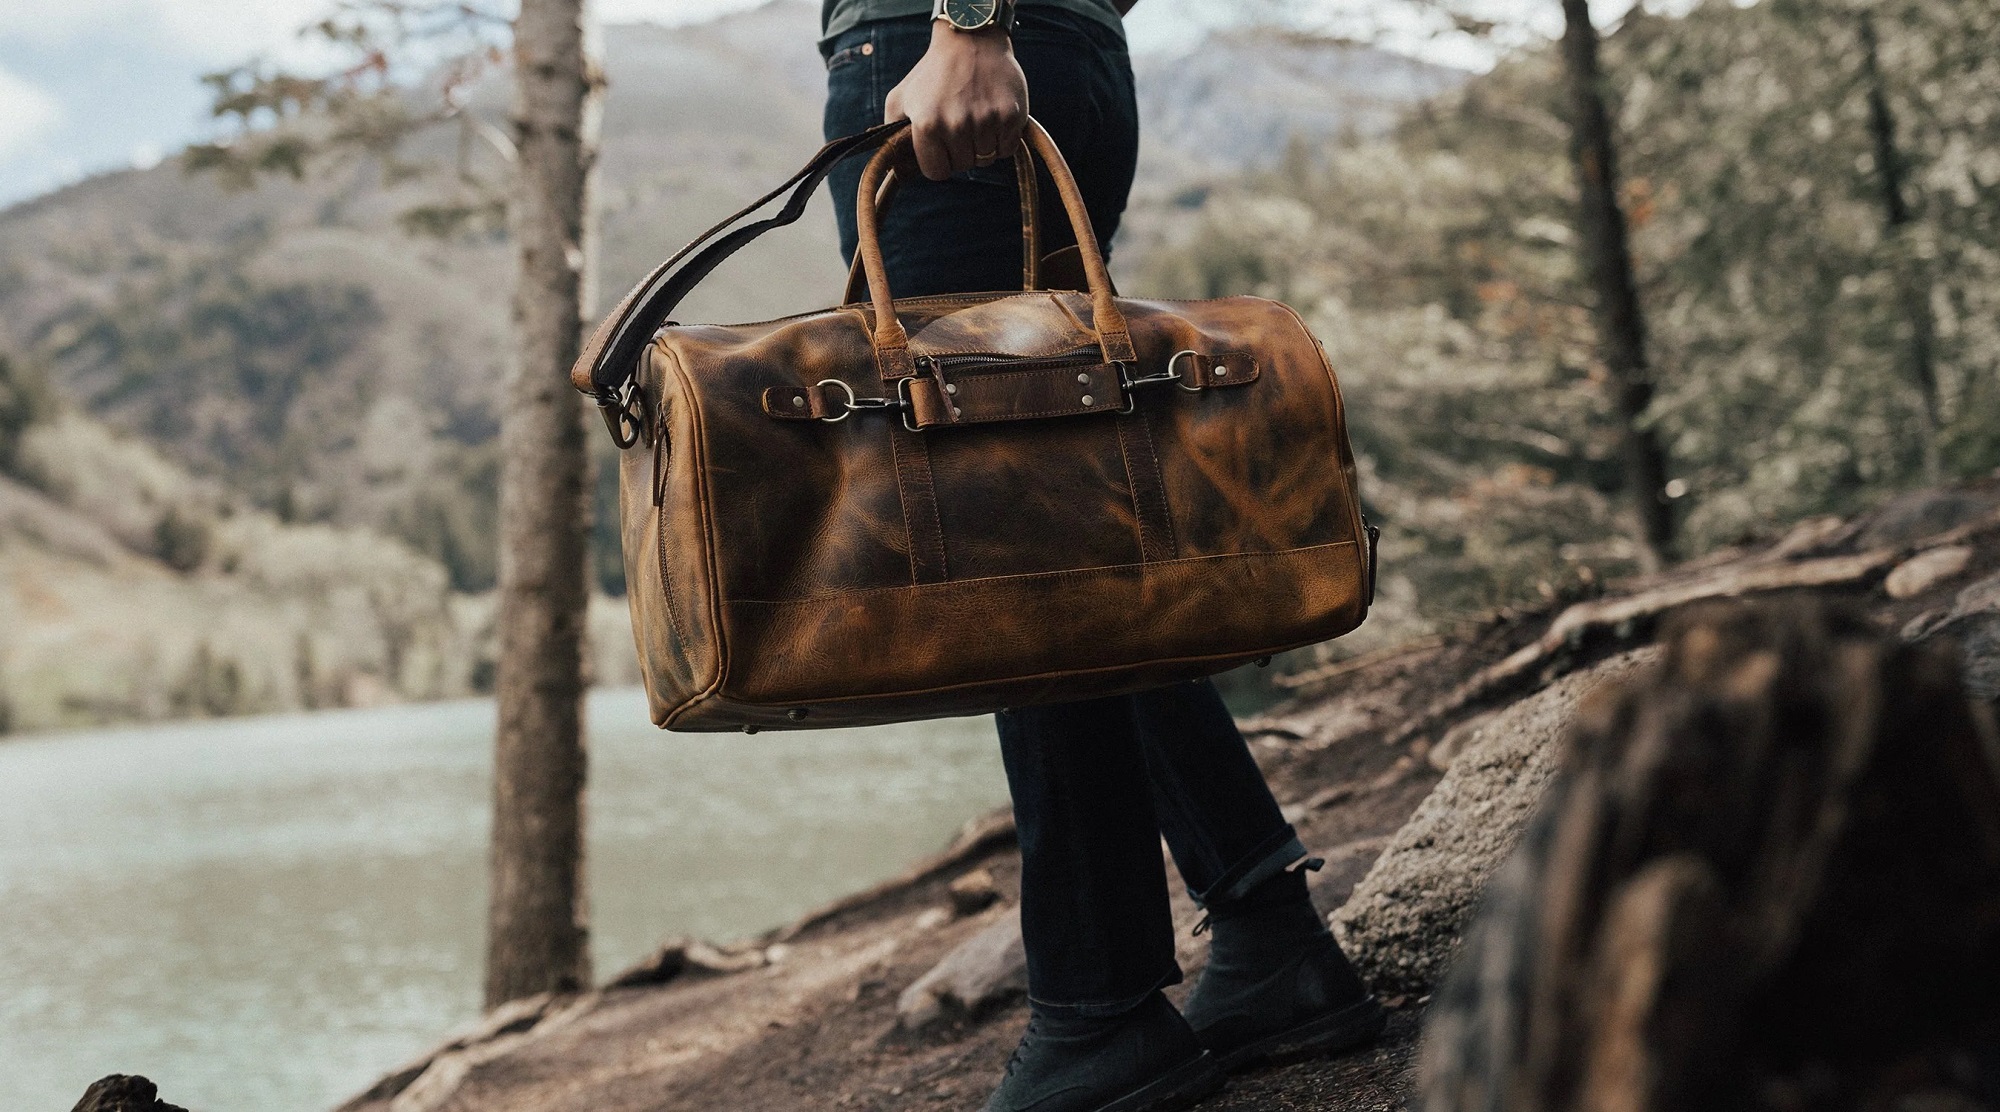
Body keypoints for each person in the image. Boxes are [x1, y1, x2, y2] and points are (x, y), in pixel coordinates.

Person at [818, 2, 1386, 1109]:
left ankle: (1101, 1004)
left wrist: (968, 23)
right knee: (1061, 522)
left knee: (1014, 541)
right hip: (1021, 47)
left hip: (945, 50)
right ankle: (1265, 933)